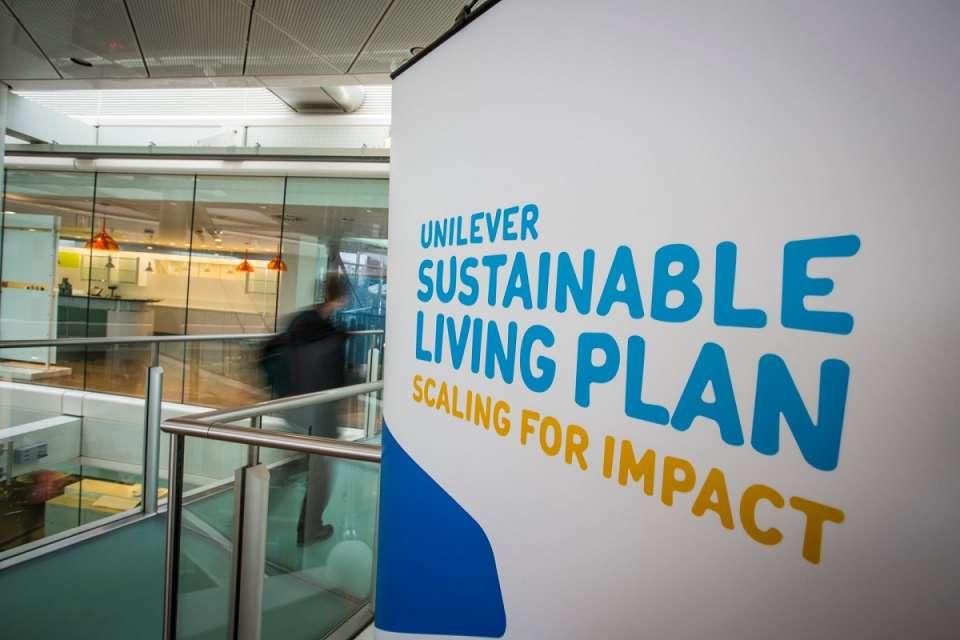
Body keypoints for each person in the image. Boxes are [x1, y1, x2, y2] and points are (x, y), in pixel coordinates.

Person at [267, 272, 350, 545]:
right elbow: (337, 382)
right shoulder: (332, 336)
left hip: (293, 408)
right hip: (317, 415)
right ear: (341, 299)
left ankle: (252, 512)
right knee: (321, 474)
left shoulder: (300, 321)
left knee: (295, 464)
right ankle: (311, 529)